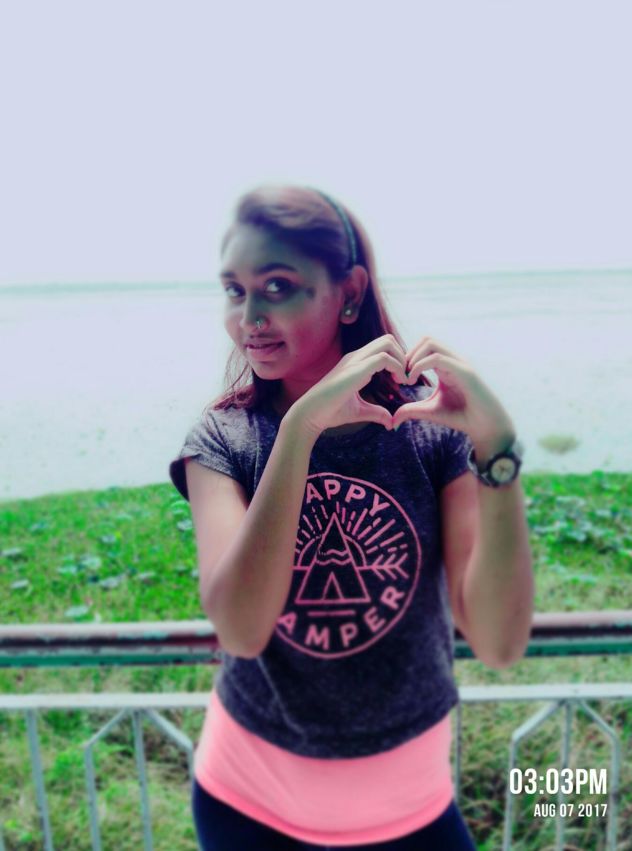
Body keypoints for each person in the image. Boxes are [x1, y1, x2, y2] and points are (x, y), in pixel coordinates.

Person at [169, 185, 534, 850]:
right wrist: (300, 430)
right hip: (248, 807)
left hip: (413, 812)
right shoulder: (224, 440)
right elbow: (242, 630)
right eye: (234, 290)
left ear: (351, 293)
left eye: (277, 286)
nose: (249, 316)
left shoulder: (427, 431)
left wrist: (497, 449)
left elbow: (498, 641)